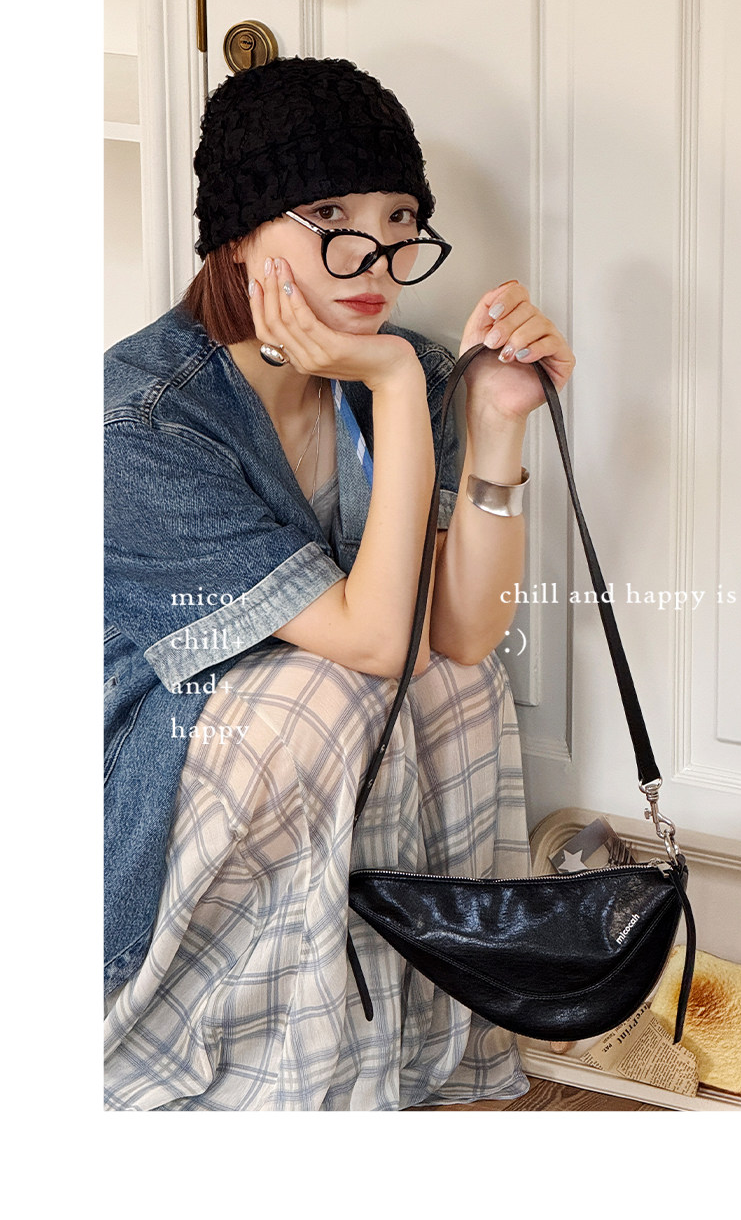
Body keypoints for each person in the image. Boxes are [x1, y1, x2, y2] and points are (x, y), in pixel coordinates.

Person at [103, 56, 575, 1111]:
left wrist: (497, 422)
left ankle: (410, 1038)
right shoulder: (138, 423)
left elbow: (461, 636)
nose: (377, 259)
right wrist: (398, 380)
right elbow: (371, 642)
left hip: (295, 720)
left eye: (399, 218)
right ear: (238, 233)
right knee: (334, 690)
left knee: (457, 686)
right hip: (137, 752)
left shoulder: (396, 371)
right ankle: (274, 1077)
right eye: (330, 216)